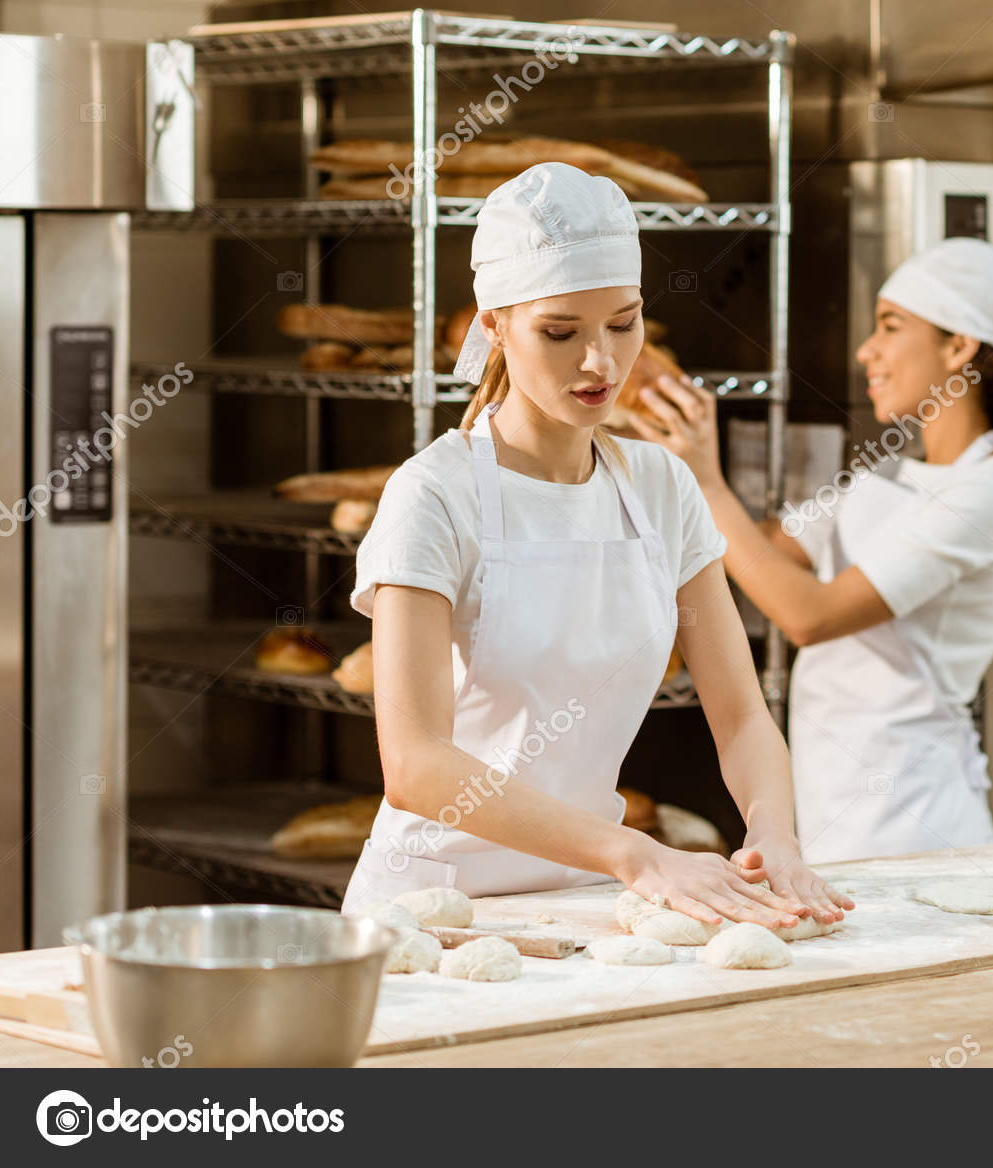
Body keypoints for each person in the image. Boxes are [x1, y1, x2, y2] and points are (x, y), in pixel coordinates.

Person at [340, 163, 850, 931]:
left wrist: (773, 831)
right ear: (495, 328)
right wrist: (634, 853)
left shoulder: (661, 486)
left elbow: (742, 715)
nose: (601, 363)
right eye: (560, 332)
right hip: (433, 904)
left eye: (623, 323)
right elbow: (415, 766)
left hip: (581, 901)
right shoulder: (434, 494)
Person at [634, 237, 993, 863]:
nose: (865, 350)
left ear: (959, 348)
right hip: (835, 802)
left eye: (890, 327)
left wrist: (703, 477)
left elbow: (807, 615)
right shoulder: (894, 474)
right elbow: (769, 548)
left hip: (910, 821)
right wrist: (665, 445)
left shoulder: (989, 497)